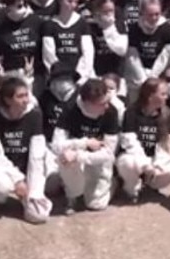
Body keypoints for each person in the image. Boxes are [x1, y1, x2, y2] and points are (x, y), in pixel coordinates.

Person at [0, 76, 52, 223]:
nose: (26, 100)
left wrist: (34, 192)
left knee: (39, 216)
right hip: (2, 168)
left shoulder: (34, 115)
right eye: (20, 96)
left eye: (27, 95)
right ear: (8, 100)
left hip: (26, 167)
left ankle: (28, 198)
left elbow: (37, 155)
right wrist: (17, 180)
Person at [50, 78, 120, 213]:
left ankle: (113, 183)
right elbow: (56, 145)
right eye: (102, 103)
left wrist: (79, 155)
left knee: (96, 204)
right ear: (87, 103)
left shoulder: (111, 112)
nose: (106, 106)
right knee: (64, 158)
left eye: (107, 101)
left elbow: (109, 153)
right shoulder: (69, 108)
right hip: (74, 157)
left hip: (97, 159)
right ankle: (73, 194)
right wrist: (83, 143)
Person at [117, 77, 170, 201]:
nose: (166, 97)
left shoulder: (166, 114)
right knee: (129, 163)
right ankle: (131, 188)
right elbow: (129, 141)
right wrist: (145, 164)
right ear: (150, 96)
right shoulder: (132, 112)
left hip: (154, 157)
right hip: (134, 155)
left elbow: (166, 139)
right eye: (163, 94)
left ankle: (151, 185)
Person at [125, 0, 170, 97]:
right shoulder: (134, 29)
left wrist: (152, 77)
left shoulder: (168, 30)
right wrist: (143, 79)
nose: (154, 18)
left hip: (159, 72)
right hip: (138, 74)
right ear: (142, 14)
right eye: (150, 15)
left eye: (157, 14)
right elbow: (133, 57)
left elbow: (165, 57)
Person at [41, 0, 94, 82]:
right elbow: (48, 55)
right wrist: (59, 74)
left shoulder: (82, 23)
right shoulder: (50, 24)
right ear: (60, 0)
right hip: (58, 77)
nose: (73, 5)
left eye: (75, 1)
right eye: (69, 1)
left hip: (79, 76)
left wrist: (80, 75)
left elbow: (88, 52)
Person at [0, 0, 42, 85]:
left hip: (36, 74)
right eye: (18, 6)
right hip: (12, 75)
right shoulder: (1, 28)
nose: (21, 9)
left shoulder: (36, 22)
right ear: (7, 7)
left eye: (23, 5)